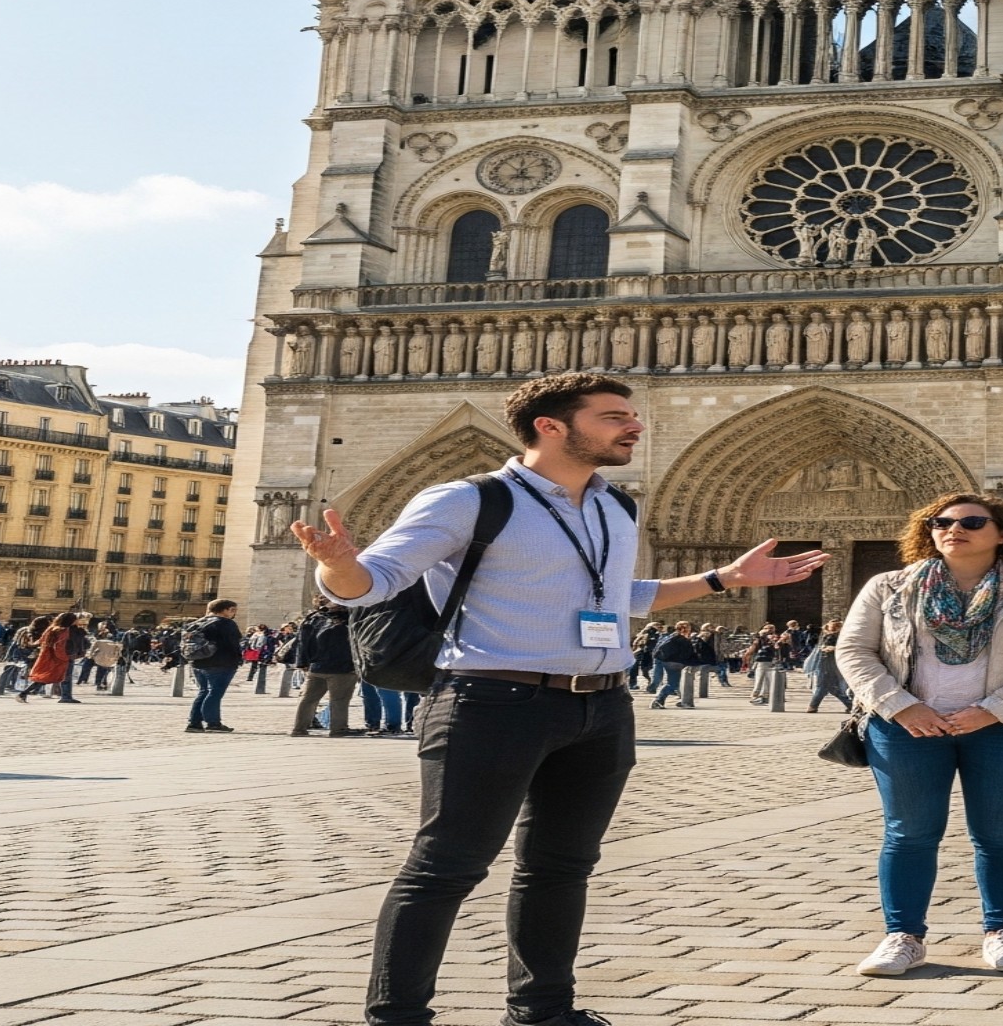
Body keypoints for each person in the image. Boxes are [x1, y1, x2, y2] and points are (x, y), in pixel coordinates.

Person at [290, 371, 826, 1026]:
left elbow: (619, 598)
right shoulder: (467, 500)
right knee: (446, 867)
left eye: (630, 415)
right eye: (613, 417)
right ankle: (395, 1018)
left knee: (562, 869)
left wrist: (723, 577)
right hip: (492, 701)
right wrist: (337, 562)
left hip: (601, 707)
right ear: (550, 426)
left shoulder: (615, 506)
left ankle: (542, 1013)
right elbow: (372, 582)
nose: (634, 425)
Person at [838, 492, 1003, 977]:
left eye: (971, 522)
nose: (953, 529)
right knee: (909, 834)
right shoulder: (889, 586)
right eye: (941, 522)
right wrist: (901, 706)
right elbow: (854, 650)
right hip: (906, 727)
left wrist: (994, 710)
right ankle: (903, 936)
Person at [291, 600, 361, 737]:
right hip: (342, 668)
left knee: (308, 699)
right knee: (339, 700)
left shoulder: (313, 619)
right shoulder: (351, 620)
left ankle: (299, 729)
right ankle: (338, 729)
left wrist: (303, 663)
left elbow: (302, 642)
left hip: (316, 666)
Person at [184, 600, 246, 733]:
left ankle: (194, 723)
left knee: (203, 691)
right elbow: (233, 644)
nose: (234, 614)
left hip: (197, 662)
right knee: (215, 693)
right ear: (226, 610)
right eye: (233, 610)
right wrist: (237, 660)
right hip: (221, 663)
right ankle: (213, 723)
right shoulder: (226, 623)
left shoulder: (195, 623)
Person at [16, 611, 85, 704]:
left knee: (48, 677)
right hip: (60, 658)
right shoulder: (63, 631)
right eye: (75, 619)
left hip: (49, 656)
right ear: (70, 620)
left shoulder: (52, 628)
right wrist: (65, 657)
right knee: (62, 677)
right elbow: (59, 646)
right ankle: (66, 697)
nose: (77, 621)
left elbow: (41, 640)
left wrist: (32, 644)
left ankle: (24, 693)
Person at [648, 622, 701, 709]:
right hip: (674, 663)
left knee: (677, 683)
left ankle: (683, 701)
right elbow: (686, 654)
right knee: (673, 684)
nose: (689, 630)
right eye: (688, 628)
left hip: (668, 661)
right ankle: (658, 700)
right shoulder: (681, 639)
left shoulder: (671, 636)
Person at [806, 618, 854, 714]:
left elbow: (847, 647)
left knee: (824, 686)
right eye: (832, 626)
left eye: (836, 626)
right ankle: (850, 705)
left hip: (829, 663)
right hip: (825, 662)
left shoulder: (838, 636)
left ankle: (813, 706)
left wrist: (834, 648)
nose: (833, 628)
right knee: (830, 687)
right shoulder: (826, 635)